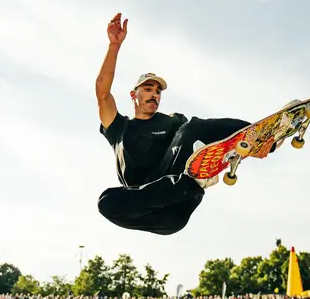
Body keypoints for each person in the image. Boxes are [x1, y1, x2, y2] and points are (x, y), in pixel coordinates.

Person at [94, 13, 262, 235]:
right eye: (148, 89)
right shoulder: (119, 128)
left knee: (192, 126)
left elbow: (204, 133)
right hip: (150, 211)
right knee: (106, 202)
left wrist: (252, 139)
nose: (154, 94)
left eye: (157, 91)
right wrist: (114, 46)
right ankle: (192, 181)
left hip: (180, 202)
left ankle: (256, 133)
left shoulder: (171, 122)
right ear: (133, 95)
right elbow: (103, 93)